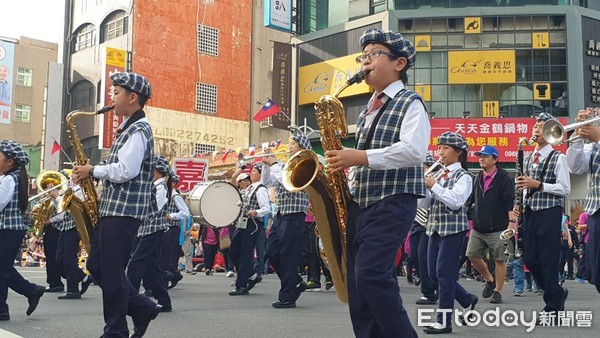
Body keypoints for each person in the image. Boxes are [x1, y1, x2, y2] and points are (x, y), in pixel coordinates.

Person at [324, 28, 430, 337]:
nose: (365, 63)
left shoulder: (410, 102)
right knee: (358, 285)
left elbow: (413, 151)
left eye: (373, 55)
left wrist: (358, 157)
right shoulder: (370, 108)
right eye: (363, 57)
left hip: (394, 200)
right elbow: (366, 158)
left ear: (399, 64)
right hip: (364, 203)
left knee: (370, 275)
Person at [72, 72, 160, 338]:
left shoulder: (138, 129)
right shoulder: (129, 127)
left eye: (116, 92)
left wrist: (93, 170)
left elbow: (126, 170)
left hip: (124, 213)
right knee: (98, 266)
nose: (111, 96)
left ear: (132, 97)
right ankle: (142, 306)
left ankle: (115, 332)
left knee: (110, 272)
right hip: (113, 211)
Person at [516, 112, 570, 321]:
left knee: (547, 259)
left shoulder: (559, 157)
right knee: (530, 258)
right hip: (530, 211)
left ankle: (553, 306)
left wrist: (538, 184)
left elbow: (565, 188)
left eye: (541, 126)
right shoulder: (528, 157)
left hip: (549, 211)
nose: (535, 129)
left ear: (550, 133)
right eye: (535, 126)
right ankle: (556, 292)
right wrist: (518, 204)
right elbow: (522, 186)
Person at [423, 132, 478, 334]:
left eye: (445, 148)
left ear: (458, 152)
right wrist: (423, 189)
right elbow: (426, 204)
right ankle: (466, 299)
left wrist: (433, 186)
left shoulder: (464, 176)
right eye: (440, 148)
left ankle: (443, 320)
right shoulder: (438, 173)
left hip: (453, 230)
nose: (441, 152)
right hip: (435, 228)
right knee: (432, 273)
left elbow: (456, 201)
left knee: (444, 274)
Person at [261, 133, 311, 309]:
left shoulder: (305, 163)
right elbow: (267, 182)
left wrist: (273, 163)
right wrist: (266, 165)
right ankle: (295, 282)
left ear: (302, 147)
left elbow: (286, 180)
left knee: (289, 256)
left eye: (294, 143)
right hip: (281, 213)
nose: (290, 146)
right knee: (272, 251)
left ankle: (288, 296)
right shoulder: (284, 165)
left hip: (295, 213)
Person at [0, 140, 46, 321]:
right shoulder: (11, 178)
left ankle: (2, 309)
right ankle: (32, 290)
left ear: (10, 162)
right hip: (10, 228)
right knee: (2, 268)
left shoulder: (9, 180)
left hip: (10, 229)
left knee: (2, 270)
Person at [466, 145, 516, 304]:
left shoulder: (504, 178)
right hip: (478, 227)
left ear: (495, 159)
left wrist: (511, 224)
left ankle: (498, 291)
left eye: (486, 156)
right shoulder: (477, 177)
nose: (481, 158)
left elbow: (509, 203)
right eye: (480, 155)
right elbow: (471, 200)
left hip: (499, 227)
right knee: (472, 255)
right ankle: (489, 280)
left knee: (499, 259)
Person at [127, 155, 173, 312]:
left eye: (151, 169)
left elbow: (154, 210)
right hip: (149, 229)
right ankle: (164, 300)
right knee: (151, 266)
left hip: (154, 228)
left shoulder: (160, 188)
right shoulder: (155, 186)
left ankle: (128, 297)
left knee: (136, 261)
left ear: (159, 171)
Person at [566, 109, 600, 293]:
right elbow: (575, 167)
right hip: (596, 210)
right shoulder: (593, 145)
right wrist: (578, 136)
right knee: (595, 271)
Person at [46, 183, 93, 300]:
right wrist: (56, 197)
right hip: (65, 227)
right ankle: (82, 276)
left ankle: (73, 290)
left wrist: (57, 196)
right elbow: (61, 211)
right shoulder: (68, 190)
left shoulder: (81, 190)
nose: (72, 177)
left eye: (75, 174)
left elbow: (70, 206)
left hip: (74, 227)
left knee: (69, 259)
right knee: (59, 258)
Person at [228, 165, 270, 295]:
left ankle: (241, 285)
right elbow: (232, 183)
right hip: (242, 223)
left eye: (254, 172)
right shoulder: (249, 189)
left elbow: (266, 208)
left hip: (252, 224)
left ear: (260, 174)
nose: (251, 174)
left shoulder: (260, 189)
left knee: (246, 254)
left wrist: (255, 212)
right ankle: (251, 274)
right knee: (234, 251)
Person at [413, 155, 438, 305]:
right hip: (416, 220)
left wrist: (429, 184)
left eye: (424, 166)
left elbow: (429, 200)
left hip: (430, 221)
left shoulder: (435, 179)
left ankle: (428, 292)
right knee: (414, 256)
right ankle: (431, 285)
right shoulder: (416, 178)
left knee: (424, 257)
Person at [164, 174, 191, 279]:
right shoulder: (167, 195)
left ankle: (171, 276)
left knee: (167, 255)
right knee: (165, 255)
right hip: (167, 228)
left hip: (172, 228)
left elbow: (185, 212)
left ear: (173, 183)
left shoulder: (176, 197)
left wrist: (171, 216)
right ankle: (172, 275)